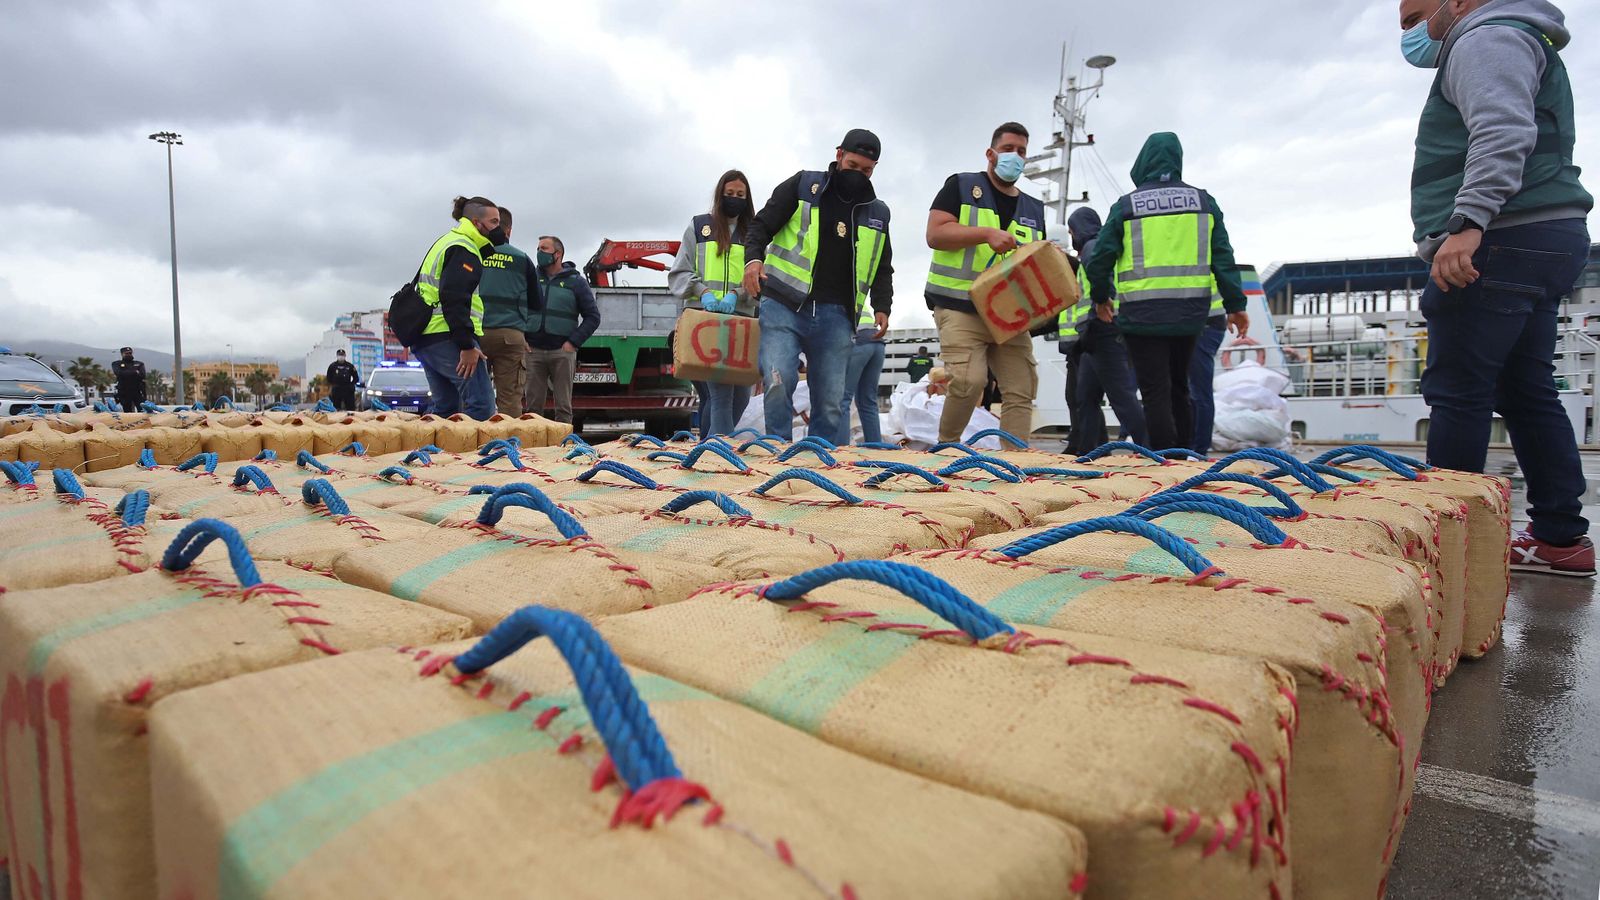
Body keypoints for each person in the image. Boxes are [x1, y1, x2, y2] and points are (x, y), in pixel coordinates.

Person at [1399, 0, 1594, 574]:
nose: (1412, 34)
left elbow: (1504, 128)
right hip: (1542, 234)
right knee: (1527, 390)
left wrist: (1467, 223)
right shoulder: (1517, 36)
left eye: (1415, 18)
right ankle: (1559, 539)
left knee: (1459, 392)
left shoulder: (1483, 38)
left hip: (1502, 238)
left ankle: (1447, 553)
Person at [1085, 133, 1249, 450]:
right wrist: (1235, 304)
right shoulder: (1204, 203)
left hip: (1141, 315)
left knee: (1154, 391)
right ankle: (1186, 457)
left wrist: (1100, 297)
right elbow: (1223, 258)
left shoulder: (1126, 206)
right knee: (1179, 388)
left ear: (1144, 161)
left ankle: (1163, 462)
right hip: (1190, 314)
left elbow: (1101, 258)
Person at [743, 129, 892, 442]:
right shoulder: (803, 186)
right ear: (839, 155)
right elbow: (761, 225)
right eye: (853, 166)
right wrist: (753, 261)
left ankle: (818, 459)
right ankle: (777, 452)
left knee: (830, 399)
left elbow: (881, 264)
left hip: (837, 314)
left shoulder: (877, 213)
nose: (859, 175)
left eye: (867, 170)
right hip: (785, 303)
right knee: (778, 380)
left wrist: (882, 305)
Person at [925, 122, 1048, 443]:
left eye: (1022, 151)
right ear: (990, 153)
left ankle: (1013, 466)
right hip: (960, 305)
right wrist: (985, 234)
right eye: (1008, 149)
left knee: (1021, 388)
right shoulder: (961, 186)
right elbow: (935, 234)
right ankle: (947, 449)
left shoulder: (1035, 209)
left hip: (1010, 314)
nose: (1015, 156)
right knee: (968, 381)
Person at [668, 170, 758, 437]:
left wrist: (738, 294)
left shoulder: (753, 232)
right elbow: (680, 270)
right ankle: (718, 453)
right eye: (730, 194)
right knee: (721, 395)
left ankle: (706, 445)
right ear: (720, 194)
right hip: (703, 322)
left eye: (740, 195)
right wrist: (703, 290)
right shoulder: (699, 227)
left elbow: (761, 275)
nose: (734, 199)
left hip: (740, 321)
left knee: (739, 398)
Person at [1059, 208, 1147, 454]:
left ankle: (1152, 450)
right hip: (1092, 337)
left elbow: (1100, 274)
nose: (1071, 235)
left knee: (1121, 398)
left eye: (1071, 231)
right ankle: (1089, 452)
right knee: (1085, 396)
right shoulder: (1099, 246)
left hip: (1103, 330)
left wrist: (1103, 299)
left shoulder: (1092, 248)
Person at [407, 196, 499, 420]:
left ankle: (436, 454)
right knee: (482, 408)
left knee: (446, 409)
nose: (500, 228)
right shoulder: (464, 248)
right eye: (494, 222)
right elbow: (454, 298)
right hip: (447, 337)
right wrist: (466, 345)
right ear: (477, 223)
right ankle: (470, 455)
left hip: (428, 338)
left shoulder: (448, 240)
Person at [525, 235, 601, 424]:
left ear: (557, 254)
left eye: (544, 249)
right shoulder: (531, 278)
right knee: (532, 408)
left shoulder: (576, 282)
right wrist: (523, 339)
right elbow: (518, 309)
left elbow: (593, 317)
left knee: (563, 407)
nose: (538, 253)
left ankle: (564, 448)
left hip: (562, 352)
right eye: (538, 248)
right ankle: (532, 449)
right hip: (532, 351)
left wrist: (572, 343)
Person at [477, 206, 541, 417]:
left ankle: (475, 445)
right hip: (510, 336)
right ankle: (509, 445)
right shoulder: (521, 259)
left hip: (476, 335)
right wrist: (525, 334)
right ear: (509, 230)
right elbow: (537, 302)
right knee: (510, 399)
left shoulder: (473, 253)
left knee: (475, 397)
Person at [837, 304, 887, 444]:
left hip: (859, 342)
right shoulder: (857, 296)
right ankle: (875, 447)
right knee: (868, 401)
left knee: (843, 399)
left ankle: (841, 449)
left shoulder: (835, 294)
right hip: (877, 343)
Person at [1188, 282, 1228, 454]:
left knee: (1199, 392)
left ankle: (1198, 450)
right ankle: (1193, 447)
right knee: (1192, 391)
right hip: (1198, 323)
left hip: (1204, 324)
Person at [111, 347, 146, 412]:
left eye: (130, 353)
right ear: (122, 354)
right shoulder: (116, 364)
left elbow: (142, 375)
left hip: (138, 391)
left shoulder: (139, 363)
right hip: (124, 392)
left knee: (142, 410)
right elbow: (119, 373)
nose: (128, 355)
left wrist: (126, 373)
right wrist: (135, 372)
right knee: (127, 412)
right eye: (126, 353)